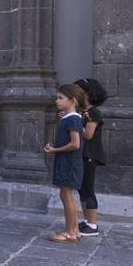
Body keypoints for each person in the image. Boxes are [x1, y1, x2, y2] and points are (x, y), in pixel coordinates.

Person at [45, 84, 87, 244]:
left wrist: (55, 150)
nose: (57, 101)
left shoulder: (74, 119)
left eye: (61, 98)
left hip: (69, 163)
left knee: (66, 195)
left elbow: (75, 144)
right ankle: (74, 231)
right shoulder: (71, 118)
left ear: (73, 100)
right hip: (68, 162)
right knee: (67, 195)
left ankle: (70, 232)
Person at [74, 77, 108, 237]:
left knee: (88, 190)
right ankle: (87, 221)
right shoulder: (83, 112)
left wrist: (75, 125)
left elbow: (88, 134)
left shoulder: (93, 112)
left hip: (90, 154)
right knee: (82, 189)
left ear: (86, 94)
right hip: (83, 153)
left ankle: (93, 225)